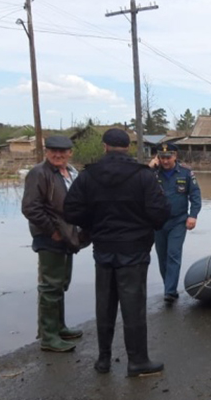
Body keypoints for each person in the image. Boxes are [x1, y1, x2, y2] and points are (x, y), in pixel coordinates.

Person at [63, 128, 171, 377]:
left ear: (104, 147)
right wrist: (147, 225)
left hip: (103, 248)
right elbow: (161, 212)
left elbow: (71, 210)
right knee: (133, 305)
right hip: (134, 248)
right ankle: (137, 361)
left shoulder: (89, 176)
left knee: (105, 303)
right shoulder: (143, 176)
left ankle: (103, 360)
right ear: (129, 147)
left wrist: (92, 225)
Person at [21, 135, 85, 353]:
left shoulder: (71, 172)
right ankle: (48, 337)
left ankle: (59, 327)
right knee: (50, 286)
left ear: (70, 152)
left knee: (61, 283)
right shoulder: (39, 173)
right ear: (46, 152)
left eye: (62, 151)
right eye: (53, 151)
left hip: (68, 235)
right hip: (50, 237)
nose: (58, 155)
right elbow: (30, 208)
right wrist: (53, 232)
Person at [147, 142, 202, 304]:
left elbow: (195, 196)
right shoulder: (152, 174)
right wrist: (149, 169)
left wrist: (193, 215)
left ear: (175, 156)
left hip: (178, 221)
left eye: (168, 157)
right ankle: (168, 287)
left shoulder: (186, 173)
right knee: (162, 256)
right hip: (157, 222)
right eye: (162, 157)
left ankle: (170, 291)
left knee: (173, 254)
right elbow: (138, 187)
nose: (165, 161)